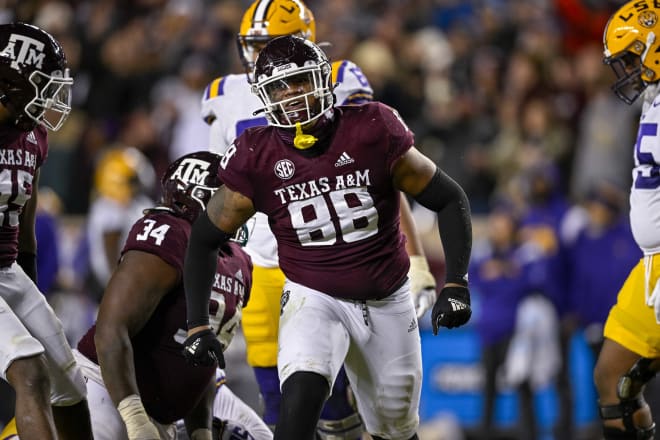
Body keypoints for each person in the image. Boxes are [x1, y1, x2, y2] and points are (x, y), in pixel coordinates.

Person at [183, 35, 472, 440]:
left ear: (324, 80)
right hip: (312, 294)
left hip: (387, 297)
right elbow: (204, 238)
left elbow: (448, 197)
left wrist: (456, 282)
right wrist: (197, 323)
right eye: (280, 87)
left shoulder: (371, 128)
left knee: (395, 428)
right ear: (264, 96)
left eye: (301, 81)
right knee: (300, 399)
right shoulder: (256, 154)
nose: (293, 96)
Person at [70, 151, 271, 440]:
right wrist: (135, 418)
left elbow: (201, 361)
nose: (242, 204)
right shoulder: (170, 233)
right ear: (197, 196)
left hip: (164, 414)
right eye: (231, 193)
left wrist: (200, 431)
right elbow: (111, 329)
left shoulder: (239, 261)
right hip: (107, 392)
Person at [0, 22, 94, 440]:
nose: (52, 96)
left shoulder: (33, 135)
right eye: (43, 83)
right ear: (11, 81)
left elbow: (27, 218)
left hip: (6, 268)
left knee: (70, 386)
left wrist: (30, 287)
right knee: (30, 371)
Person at [594, 2, 660, 438]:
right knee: (613, 380)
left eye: (633, 57)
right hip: (651, 265)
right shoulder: (655, 98)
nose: (629, 71)